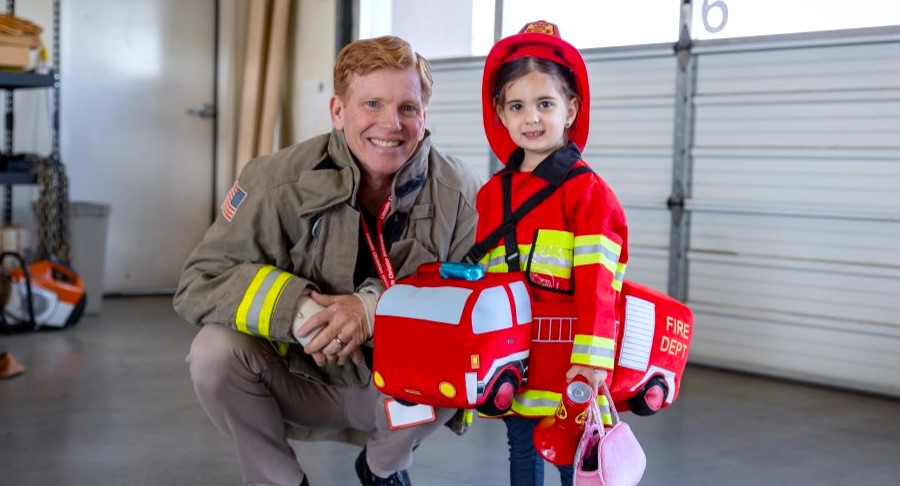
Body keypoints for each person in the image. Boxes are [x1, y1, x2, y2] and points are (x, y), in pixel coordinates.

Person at [173, 35, 480, 486]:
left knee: (466, 362)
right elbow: (200, 281)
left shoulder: (460, 192)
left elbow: (479, 304)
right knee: (212, 353)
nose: (391, 123)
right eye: (372, 104)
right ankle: (279, 480)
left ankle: (382, 470)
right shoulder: (275, 180)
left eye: (407, 108)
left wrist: (373, 309)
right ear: (338, 111)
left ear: (424, 115)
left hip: (396, 390)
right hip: (299, 375)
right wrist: (300, 312)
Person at [474, 20, 629, 486]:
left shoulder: (588, 195)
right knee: (521, 449)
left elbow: (600, 287)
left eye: (545, 104)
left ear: (571, 108)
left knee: (569, 455)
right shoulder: (490, 195)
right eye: (517, 106)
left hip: (568, 365)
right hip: (514, 361)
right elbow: (485, 286)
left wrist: (592, 361)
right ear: (500, 113)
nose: (532, 119)